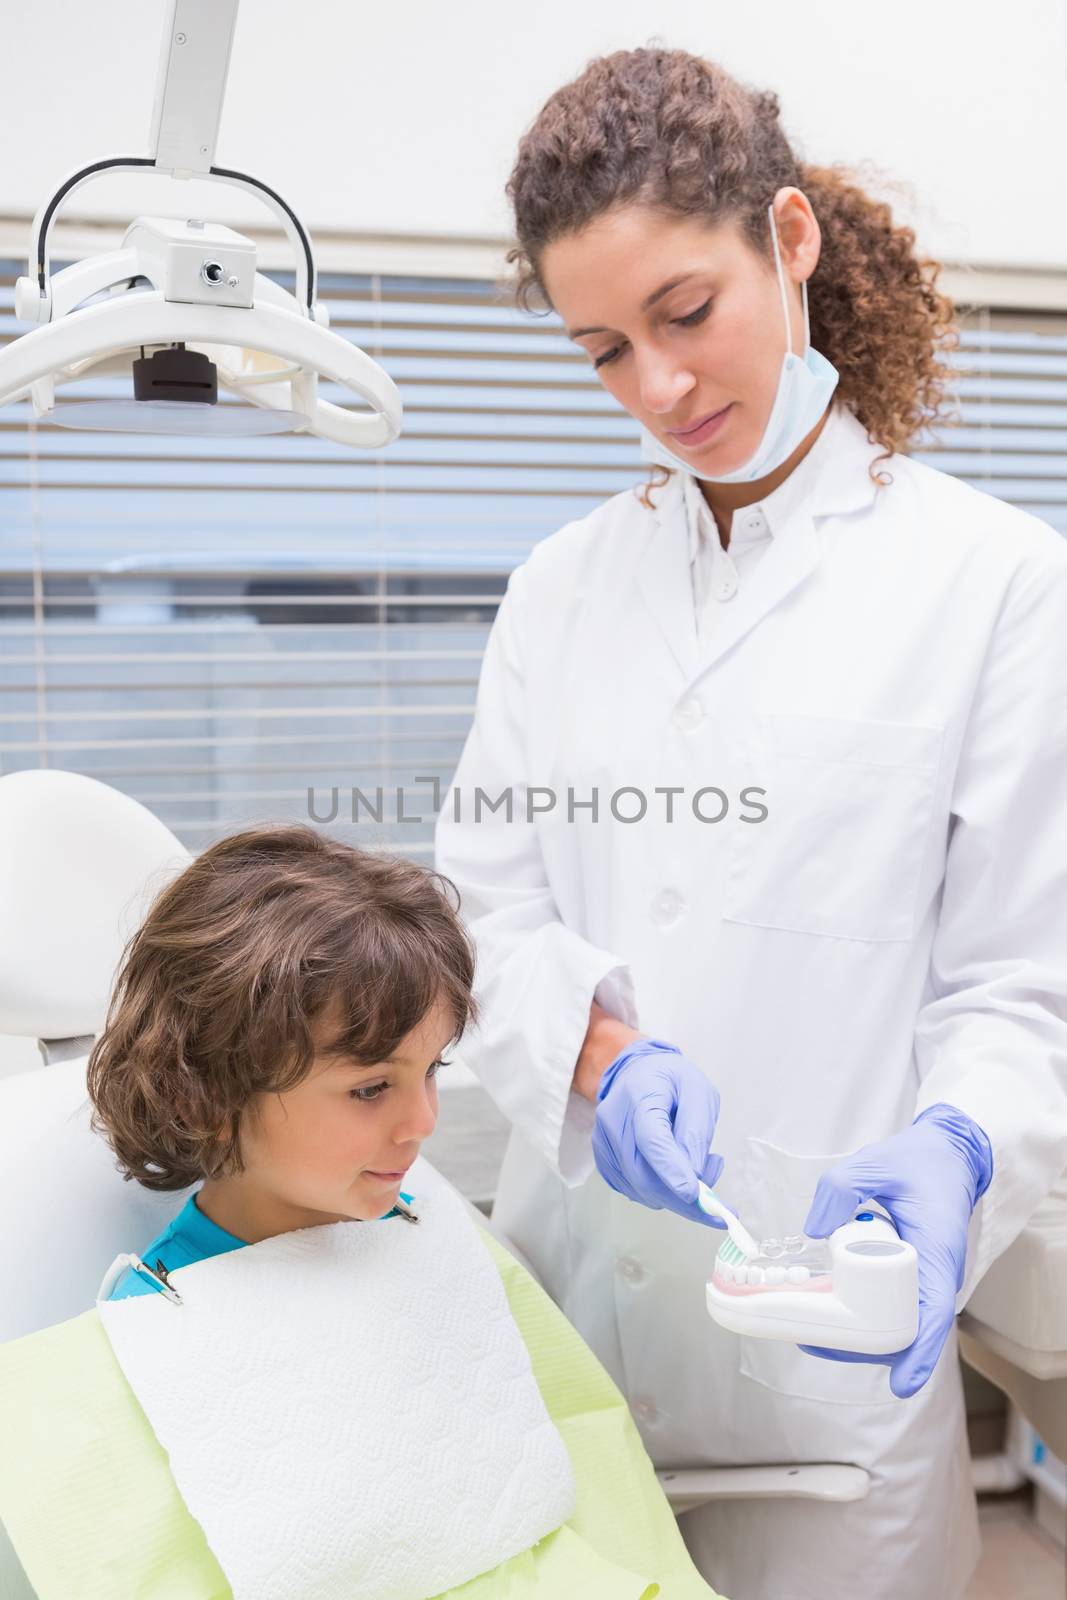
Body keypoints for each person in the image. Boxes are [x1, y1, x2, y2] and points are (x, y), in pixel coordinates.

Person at [433, 44, 1067, 1600]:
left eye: (683, 316)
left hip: (830, 1386)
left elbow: (1017, 982)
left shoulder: (987, 585)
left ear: (786, 242)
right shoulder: (555, 592)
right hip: (576, 1346)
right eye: (598, 351)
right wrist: (600, 1051)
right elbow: (482, 913)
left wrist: (954, 1144)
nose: (655, 390)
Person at [0, 824, 722, 1600]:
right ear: (206, 1095)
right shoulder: (164, 1336)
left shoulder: (419, 1233)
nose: (422, 1122)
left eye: (433, 1070)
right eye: (371, 1087)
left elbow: (581, 1482)